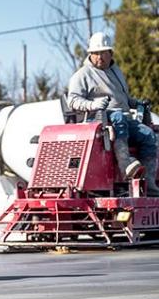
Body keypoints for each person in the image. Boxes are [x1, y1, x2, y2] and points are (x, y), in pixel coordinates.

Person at [67, 32, 158, 195]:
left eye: (103, 52)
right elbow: (72, 101)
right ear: (90, 54)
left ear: (111, 53)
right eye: (95, 53)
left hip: (121, 117)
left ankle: (149, 183)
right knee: (118, 116)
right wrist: (92, 104)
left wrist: (134, 102)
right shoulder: (82, 75)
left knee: (148, 134)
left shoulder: (116, 72)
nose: (99, 57)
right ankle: (126, 165)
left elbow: (121, 97)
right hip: (97, 120)